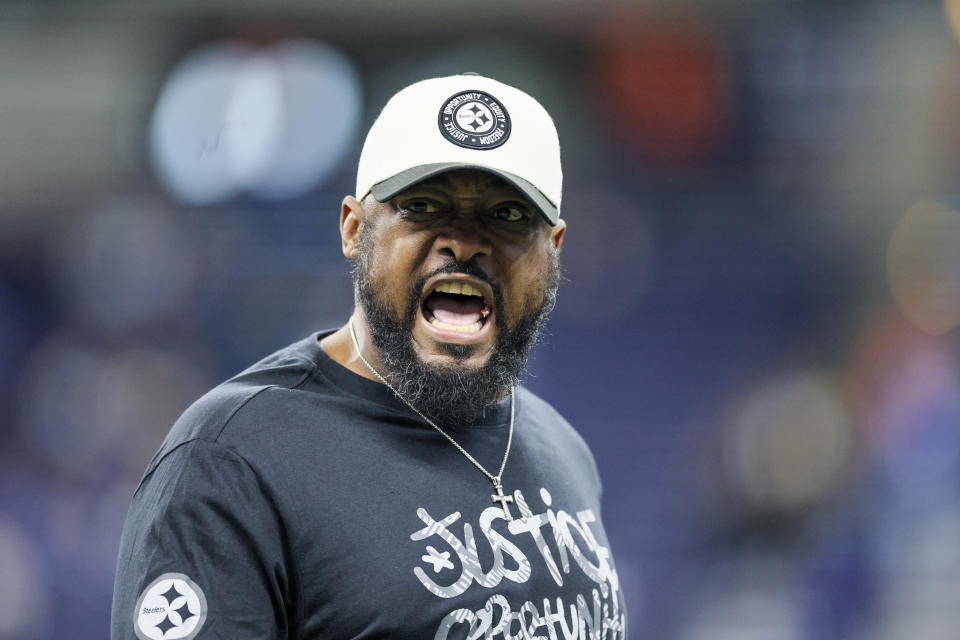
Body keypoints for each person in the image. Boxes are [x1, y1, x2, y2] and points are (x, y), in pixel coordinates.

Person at [111, 73, 626, 640]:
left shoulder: (563, 449)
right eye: (425, 206)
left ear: (552, 251)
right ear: (354, 230)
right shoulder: (233, 460)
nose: (465, 241)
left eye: (507, 216)